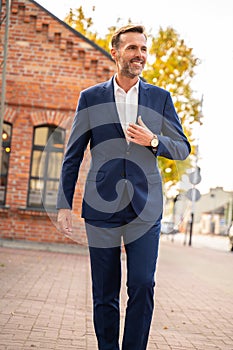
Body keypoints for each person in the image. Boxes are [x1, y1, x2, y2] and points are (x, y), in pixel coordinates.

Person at [57, 24, 191, 350]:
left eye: (144, 49)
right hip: (101, 207)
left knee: (143, 285)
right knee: (104, 291)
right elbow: (73, 155)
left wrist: (154, 140)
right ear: (115, 52)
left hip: (146, 208)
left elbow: (182, 148)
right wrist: (63, 204)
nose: (139, 55)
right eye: (132, 48)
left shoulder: (160, 98)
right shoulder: (91, 98)